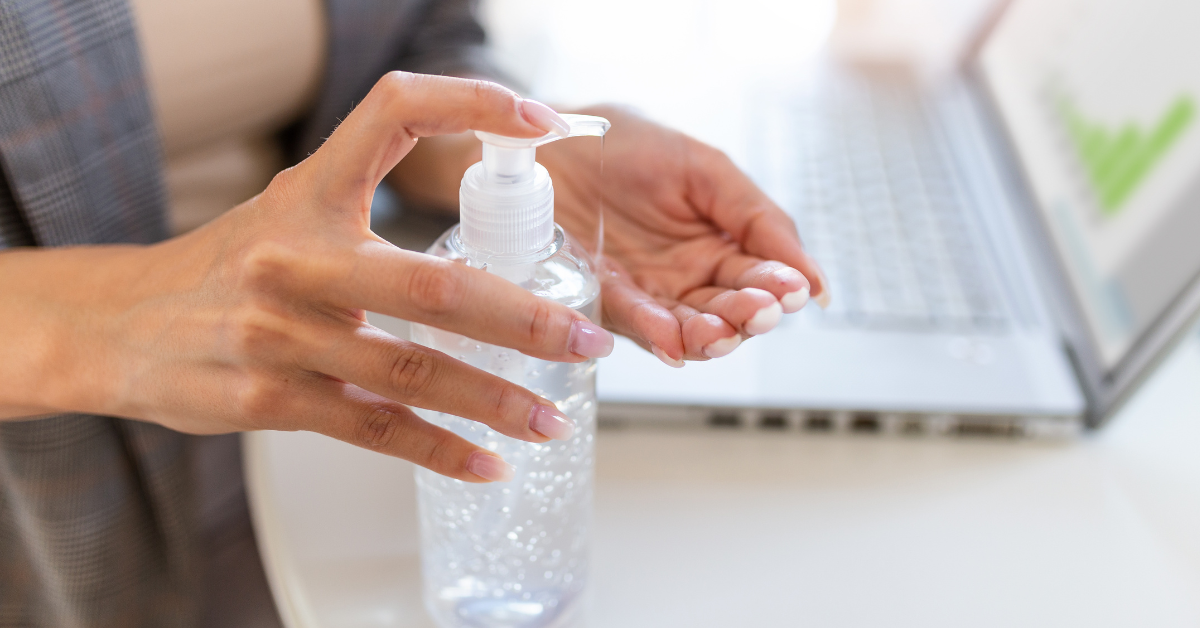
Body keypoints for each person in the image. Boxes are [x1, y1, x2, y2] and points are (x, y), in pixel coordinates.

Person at [0, 0, 829, 625]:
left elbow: (420, 28)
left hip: (318, 420)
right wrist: (110, 323)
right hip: (65, 477)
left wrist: (486, 148)